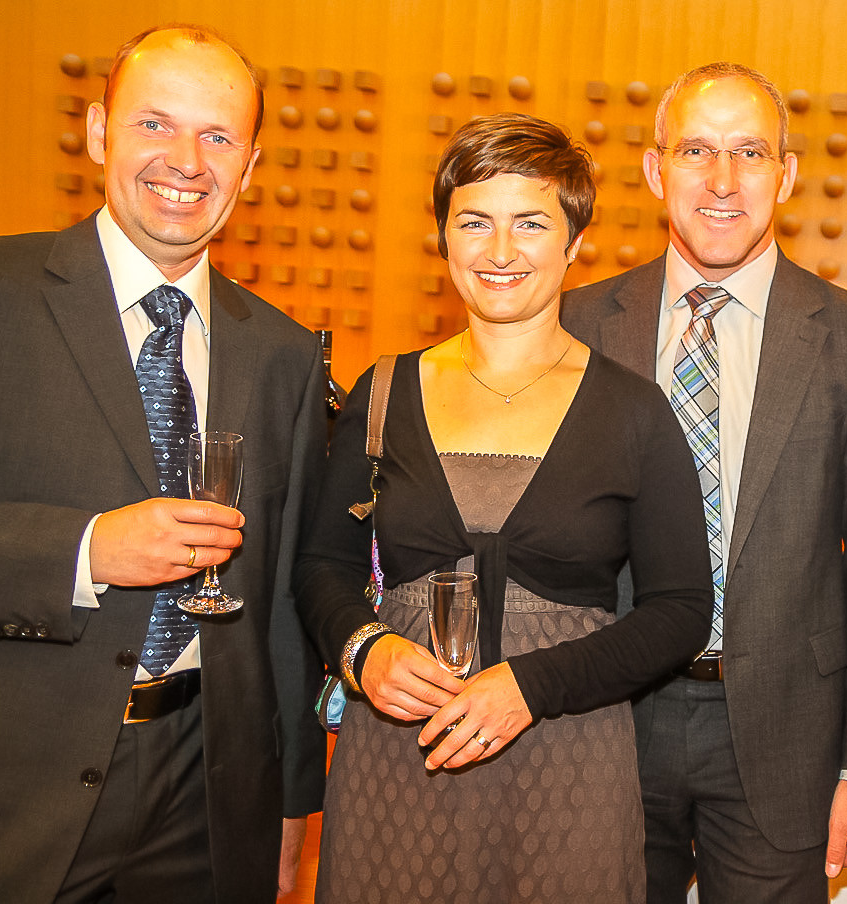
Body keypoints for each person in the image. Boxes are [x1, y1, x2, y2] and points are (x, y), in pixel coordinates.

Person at [293, 113, 711, 903]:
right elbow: (321, 567)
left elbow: (681, 611)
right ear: (444, 237)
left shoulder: (634, 412)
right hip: (399, 749)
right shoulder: (382, 394)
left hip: (568, 751)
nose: (500, 251)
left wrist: (532, 687)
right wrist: (363, 650)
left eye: (531, 224)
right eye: (475, 222)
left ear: (574, 241)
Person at [562, 63, 847, 903]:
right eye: (697, 151)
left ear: (785, 175)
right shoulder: (576, 325)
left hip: (786, 735)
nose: (722, 180)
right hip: (606, 721)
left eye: (750, 152)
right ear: (656, 171)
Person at [0, 25, 326, 902]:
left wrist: (293, 804)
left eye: (217, 136)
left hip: (210, 797)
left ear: (249, 168)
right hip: (19, 784)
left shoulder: (286, 355)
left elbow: (285, 602)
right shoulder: (5, 295)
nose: (186, 162)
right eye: (155, 124)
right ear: (99, 131)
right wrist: (84, 551)